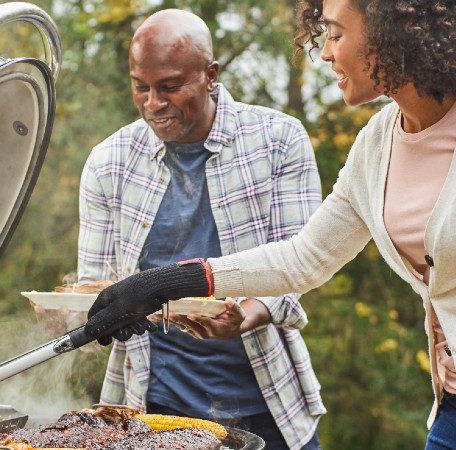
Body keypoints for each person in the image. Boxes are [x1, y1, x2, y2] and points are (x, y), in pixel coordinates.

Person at [84, 0, 456, 449]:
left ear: (392, 33)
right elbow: (304, 257)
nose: (323, 53)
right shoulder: (377, 144)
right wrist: (162, 283)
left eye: (335, 34)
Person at [74, 9, 325, 450]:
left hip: (268, 401)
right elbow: (94, 284)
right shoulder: (108, 162)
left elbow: (300, 264)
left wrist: (250, 312)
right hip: (151, 407)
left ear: (210, 75)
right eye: (141, 87)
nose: (153, 102)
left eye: (169, 86)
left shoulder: (279, 140)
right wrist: (72, 307)